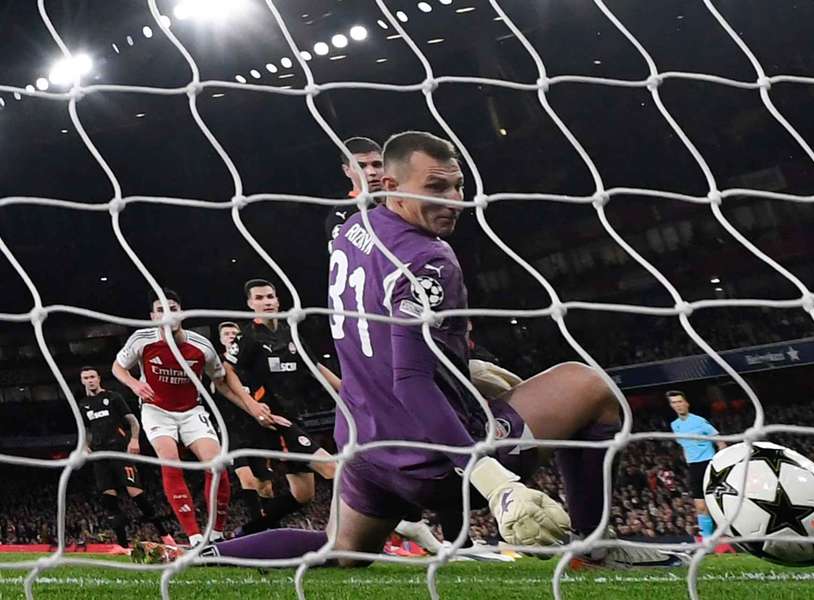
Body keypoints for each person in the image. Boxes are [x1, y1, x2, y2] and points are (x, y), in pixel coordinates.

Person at [200, 131, 680, 569]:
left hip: (364, 446)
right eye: (435, 188)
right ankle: (594, 541)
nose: (455, 200)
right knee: (590, 386)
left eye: (458, 186)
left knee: (339, 551)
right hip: (431, 455)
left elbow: (380, 333)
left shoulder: (350, 229)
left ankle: (207, 557)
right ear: (389, 184)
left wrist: (461, 365)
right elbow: (410, 380)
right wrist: (491, 479)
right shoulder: (429, 259)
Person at [112, 288, 278, 546]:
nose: (167, 313)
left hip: (192, 411)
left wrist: (251, 407)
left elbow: (221, 382)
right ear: (153, 316)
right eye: (160, 309)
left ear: (182, 313)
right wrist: (134, 384)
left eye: (173, 308)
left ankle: (216, 534)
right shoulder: (141, 339)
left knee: (217, 465)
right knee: (171, 461)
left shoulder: (202, 347)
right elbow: (118, 367)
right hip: (157, 411)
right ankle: (194, 536)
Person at [223, 279, 340, 536]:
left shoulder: (290, 332)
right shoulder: (248, 337)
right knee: (334, 470)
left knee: (303, 495)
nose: (266, 302)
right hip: (276, 421)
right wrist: (253, 405)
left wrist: (346, 391)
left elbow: (315, 366)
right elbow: (227, 371)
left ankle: (248, 532)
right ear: (250, 304)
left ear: (277, 300)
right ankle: (341, 536)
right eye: (260, 298)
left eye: (270, 297)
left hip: (295, 417)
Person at [78, 366, 175, 551]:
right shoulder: (83, 404)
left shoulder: (113, 397)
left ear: (99, 378)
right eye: (86, 378)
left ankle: (164, 534)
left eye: (92, 376)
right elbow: (86, 429)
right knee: (109, 500)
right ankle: (123, 545)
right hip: (100, 456)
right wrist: (84, 445)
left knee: (137, 495)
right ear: (82, 381)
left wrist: (135, 439)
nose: (90, 380)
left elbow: (132, 420)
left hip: (119, 451)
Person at [214, 321, 276, 525]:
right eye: (226, 333)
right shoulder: (216, 367)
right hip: (231, 429)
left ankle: (273, 525)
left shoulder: (251, 364)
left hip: (255, 429)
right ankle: (259, 528)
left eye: (234, 332)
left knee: (265, 485)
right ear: (221, 339)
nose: (231, 335)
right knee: (247, 479)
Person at [667, 390, 727, 541]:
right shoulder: (675, 426)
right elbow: (684, 446)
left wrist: (721, 462)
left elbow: (720, 441)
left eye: (680, 401)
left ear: (686, 403)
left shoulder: (700, 421)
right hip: (694, 468)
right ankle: (707, 541)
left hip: (709, 464)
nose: (678, 405)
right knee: (700, 506)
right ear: (671, 406)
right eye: (674, 403)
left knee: (721, 502)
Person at [325, 136, 384, 254]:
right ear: (347, 171)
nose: (371, 172)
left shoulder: (404, 202)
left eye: (377, 164)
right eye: (361, 166)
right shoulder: (341, 216)